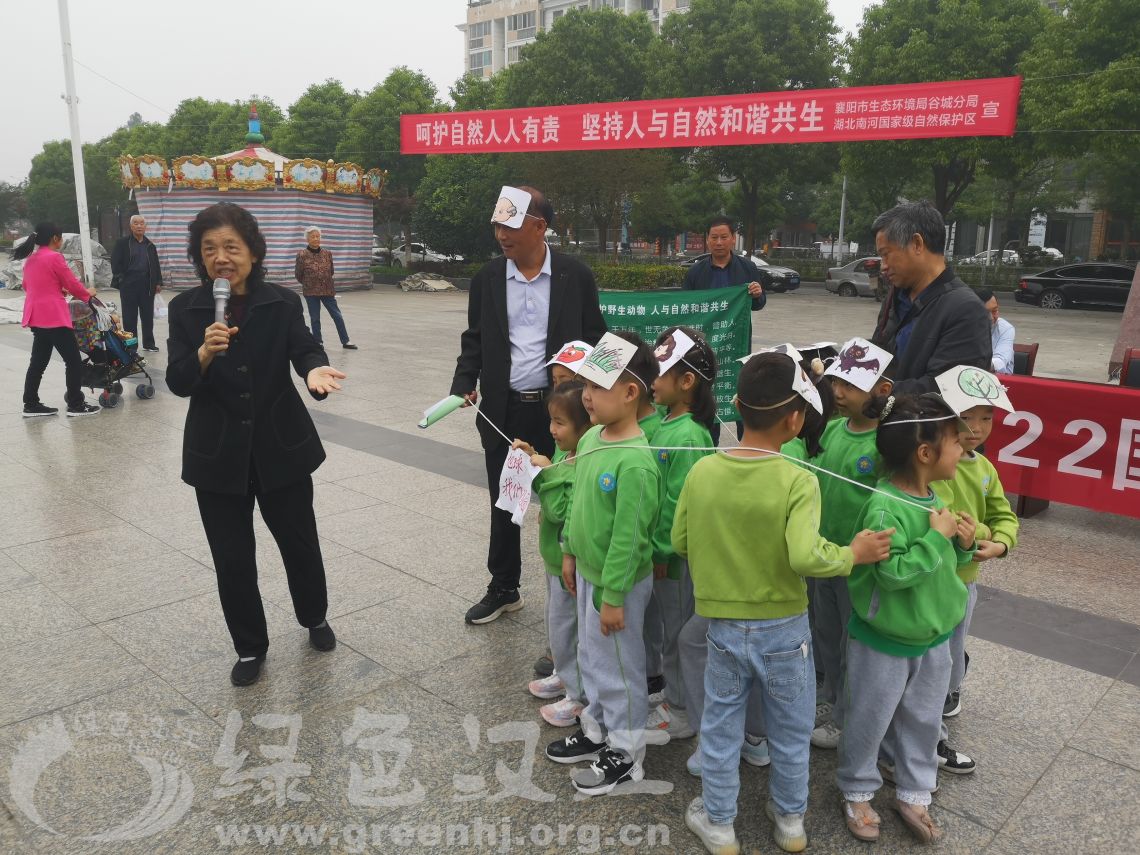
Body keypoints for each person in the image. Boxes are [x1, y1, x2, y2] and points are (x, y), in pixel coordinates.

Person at [675, 352, 892, 855]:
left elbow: (681, 540)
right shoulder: (798, 478)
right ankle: (791, 822)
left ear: (735, 405)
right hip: (785, 630)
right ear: (796, 420)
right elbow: (804, 554)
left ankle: (719, 822)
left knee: (723, 725)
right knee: (791, 730)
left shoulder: (704, 471)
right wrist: (851, 554)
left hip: (724, 627)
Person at [166, 202, 348, 687]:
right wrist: (204, 352)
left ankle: (314, 617)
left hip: (280, 446)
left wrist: (313, 368)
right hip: (216, 454)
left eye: (231, 247)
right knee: (232, 556)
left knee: (299, 543)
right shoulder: (185, 309)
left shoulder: (281, 302)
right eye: (209, 249)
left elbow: (305, 348)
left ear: (252, 251)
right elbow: (178, 381)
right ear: (199, 257)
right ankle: (249, 647)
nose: (220, 258)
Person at [451, 185, 606, 625]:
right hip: (504, 411)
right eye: (497, 225)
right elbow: (475, 340)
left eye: (511, 224)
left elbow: (595, 336)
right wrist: (464, 382)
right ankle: (504, 587)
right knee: (507, 501)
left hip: (563, 411)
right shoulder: (487, 279)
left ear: (540, 227)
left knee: (570, 498)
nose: (502, 234)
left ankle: (570, 587)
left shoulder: (575, 276)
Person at [837, 393, 974, 845]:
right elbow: (893, 574)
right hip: (885, 639)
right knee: (869, 718)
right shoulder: (885, 506)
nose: (964, 445)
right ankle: (857, 790)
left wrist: (962, 543)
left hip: (933, 637)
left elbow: (941, 560)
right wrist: (937, 538)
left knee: (924, 718)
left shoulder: (939, 494)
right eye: (956, 440)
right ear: (925, 453)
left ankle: (915, 791)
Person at [544, 332, 661, 796]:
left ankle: (627, 752)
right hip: (588, 572)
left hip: (620, 585)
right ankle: (597, 729)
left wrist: (614, 597)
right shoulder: (592, 436)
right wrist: (570, 548)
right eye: (584, 383)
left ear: (631, 393)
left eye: (595, 386)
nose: (584, 395)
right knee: (593, 658)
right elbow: (578, 503)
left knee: (619, 664)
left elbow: (629, 540)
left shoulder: (636, 462)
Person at [808, 339, 895, 752]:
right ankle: (828, 698)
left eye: (852, 386)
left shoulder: (883, 445)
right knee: (823, 630)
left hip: (856, 563)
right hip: (824, 553)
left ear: (882, 389)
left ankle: (846, 714)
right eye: (837, 382)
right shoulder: (832, 429)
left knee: (849, 638)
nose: (839, 393)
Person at [932, 380, 1019, 771]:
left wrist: (999, 542)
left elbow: (1004, 517)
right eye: (967, 418)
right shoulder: (935, 464)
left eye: (987, 418)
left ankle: (949, 693)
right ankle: (931, 718)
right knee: (936, 652)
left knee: (954, 643)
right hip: (932, 575)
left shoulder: (985, 469)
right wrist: (980, 530)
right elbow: (947, 517)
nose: (978, 427)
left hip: (965, 577)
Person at [643, 326, 717, 744]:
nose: (652, 381)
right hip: (659, 555)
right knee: (666, 627)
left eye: (660, 373)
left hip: (675, 559)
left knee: (678, 630)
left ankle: (683, 707)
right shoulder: (665, 424)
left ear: (687, 382)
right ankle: (673, 694)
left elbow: (678, 506)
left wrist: (660, 551)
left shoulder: (688, 434)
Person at [513, 381, 592, 728]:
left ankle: (577, 696)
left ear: (585, 426)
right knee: (556, 622)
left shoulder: (581, 464)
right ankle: (564, 673)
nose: (552, 430)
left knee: (566, 626)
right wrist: (532, 458)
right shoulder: (566, 455)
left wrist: (545, 474)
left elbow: (560, 511)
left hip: (568, 564)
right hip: (553, 559)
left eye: (560, 422)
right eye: (551, 420)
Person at [870, 202, 992, 393]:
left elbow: (948, 388)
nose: (883, 266)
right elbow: (878, 352)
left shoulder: (966, 310)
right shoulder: (896, 296)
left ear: (917, 244)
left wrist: (873, 394)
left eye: (886, 254)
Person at [683, 216, 766, 445]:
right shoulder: (696, 272)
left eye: (724, 237)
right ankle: (709, 447)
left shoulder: (747, 268)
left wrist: (758, 294)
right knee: (709, 396)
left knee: (741, 393)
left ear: (732, 239)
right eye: (714, 237)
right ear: (707, 241)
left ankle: (747, 449)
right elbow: (686, 309)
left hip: (737, 346)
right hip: (706, 347)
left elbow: (758, 304)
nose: (719, 242)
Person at [16, 223, 100, 418]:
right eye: (60, 238)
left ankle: (31, 404)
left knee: (37, 363)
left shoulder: (31, 259)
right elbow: (71, 282)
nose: (61, 241)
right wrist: (87, 294)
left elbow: (28, 286)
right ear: (55, 238)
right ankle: (76, 404)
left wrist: (55, 290)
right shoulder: (55, 257)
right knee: (73, 362)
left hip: (36, 317)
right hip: (54, 317)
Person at [294, 226, 357, 350]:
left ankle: (346, 341)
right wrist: (309, 283)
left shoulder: (327, 253)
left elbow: (331, 271)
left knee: (337, 315)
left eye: (318, 236)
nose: (316, 239)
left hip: (328, 290)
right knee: (315, 318)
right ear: (307, 239)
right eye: (313, 237)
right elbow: (298, 274)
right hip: (311, 292)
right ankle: (318, 342)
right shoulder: (302, 255)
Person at [110, 214, 163, 352]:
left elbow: (156, 265)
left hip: (147, 285)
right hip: (129, 284)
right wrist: (121, 279)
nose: (139, 226)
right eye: (136, 223)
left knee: (147, 316)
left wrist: (158, 282)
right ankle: (131, 346)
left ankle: (149, 343)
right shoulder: (122, 243)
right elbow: (115, 262)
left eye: (141, 223)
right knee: (129, 318)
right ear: (131, 226)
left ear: (146, 227)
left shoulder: (150, 245)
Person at [976, 289, 1015, 374]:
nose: (991, 318)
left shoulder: (1006, 329)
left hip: (1001, 382)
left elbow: (1000, 361)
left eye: (994, 311)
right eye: (985, 313)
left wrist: (974, 364)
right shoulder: (964, 326)